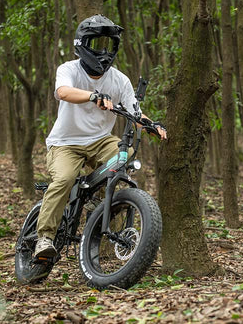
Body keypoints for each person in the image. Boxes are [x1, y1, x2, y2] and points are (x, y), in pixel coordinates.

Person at [34, 14, 167, 258]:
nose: (103, 52)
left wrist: (152, 125)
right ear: (82, 44)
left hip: (100, 141)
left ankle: (98, 205)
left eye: (109, 45)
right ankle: (44, 238)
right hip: (66, 143)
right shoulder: (69, 70)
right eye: (96, 45)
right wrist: (92, 96)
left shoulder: (120, 80)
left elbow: (135, 111)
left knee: (123, 158)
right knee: (63, 179)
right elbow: (62, 92)